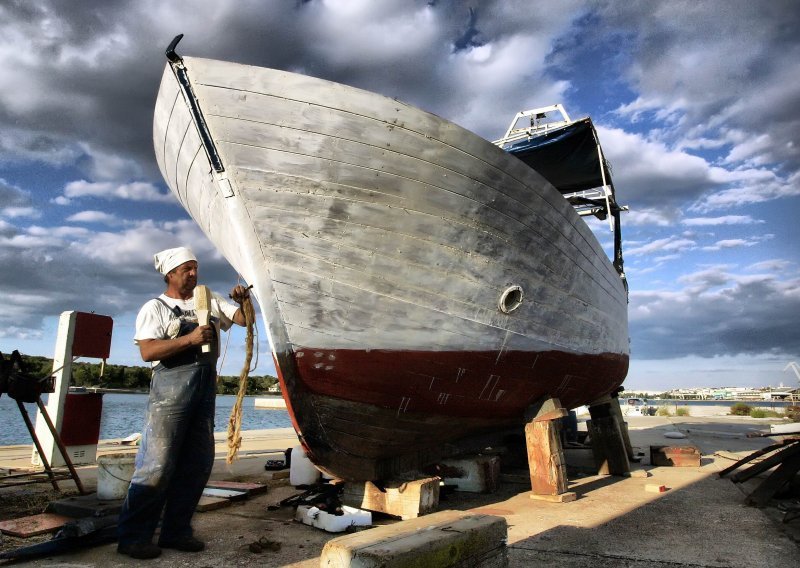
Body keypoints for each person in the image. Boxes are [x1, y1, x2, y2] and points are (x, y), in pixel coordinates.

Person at [117, 246, 250, 559]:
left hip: (203, 394)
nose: (194, 274)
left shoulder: (210, 298)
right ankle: (133, 538)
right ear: (170, 274)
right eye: (186, 269)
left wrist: (244, 298)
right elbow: (148, 352)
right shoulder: (156, 307)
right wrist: (189, 340)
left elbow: (244, 320)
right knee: (157, 466)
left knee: (197, 464)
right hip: (169, 396)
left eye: (195, 267)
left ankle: (176, 532)